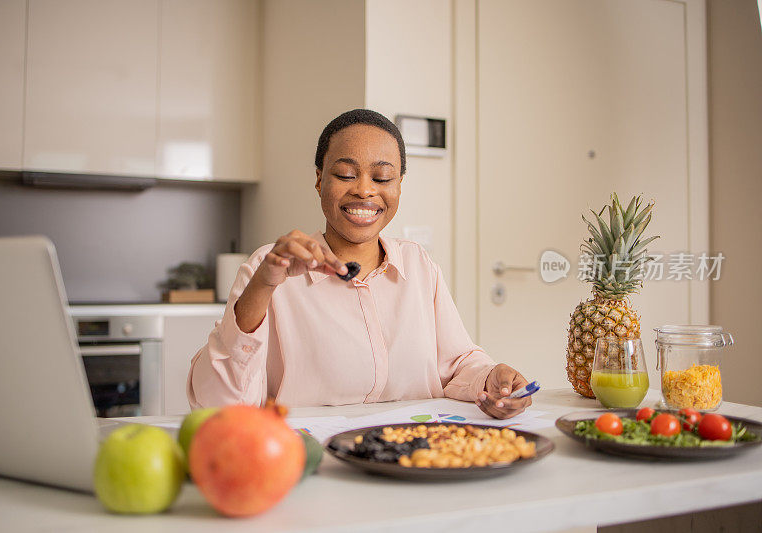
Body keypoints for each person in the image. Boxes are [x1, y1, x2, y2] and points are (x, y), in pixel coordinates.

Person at [187, 109, 531, 419]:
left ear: (398, 185)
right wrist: (263, 285)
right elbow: (219, 404)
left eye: (382, 178)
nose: (365, 190)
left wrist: (492, 378)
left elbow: (458, 364)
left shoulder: (419, 265)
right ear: (320, 179)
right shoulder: (269, 268)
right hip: (311, 463)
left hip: (413, 458)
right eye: (346, 174)